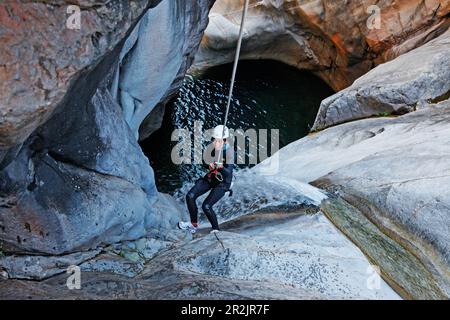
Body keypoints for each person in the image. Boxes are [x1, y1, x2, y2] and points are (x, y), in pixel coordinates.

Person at [178, 125, 234, 234]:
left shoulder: (230, 153)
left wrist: (221, 167)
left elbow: (228, 174)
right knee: (190, 196)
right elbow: (204, 161)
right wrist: (210, 165)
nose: (215, 143)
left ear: (225, 140)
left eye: (218, 141)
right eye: (214, 140)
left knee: (207, 206)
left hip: (223, 182)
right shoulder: (211, 147)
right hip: (212, 177)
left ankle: (216, 230)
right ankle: (193, 225)